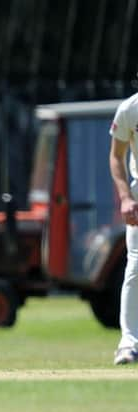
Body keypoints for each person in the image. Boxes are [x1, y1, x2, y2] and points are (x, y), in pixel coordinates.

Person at [109, 93, 138, 365]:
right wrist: (126, 198)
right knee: (136, 267)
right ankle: (129, 343)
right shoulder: (130, 108)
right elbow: (116, 156)